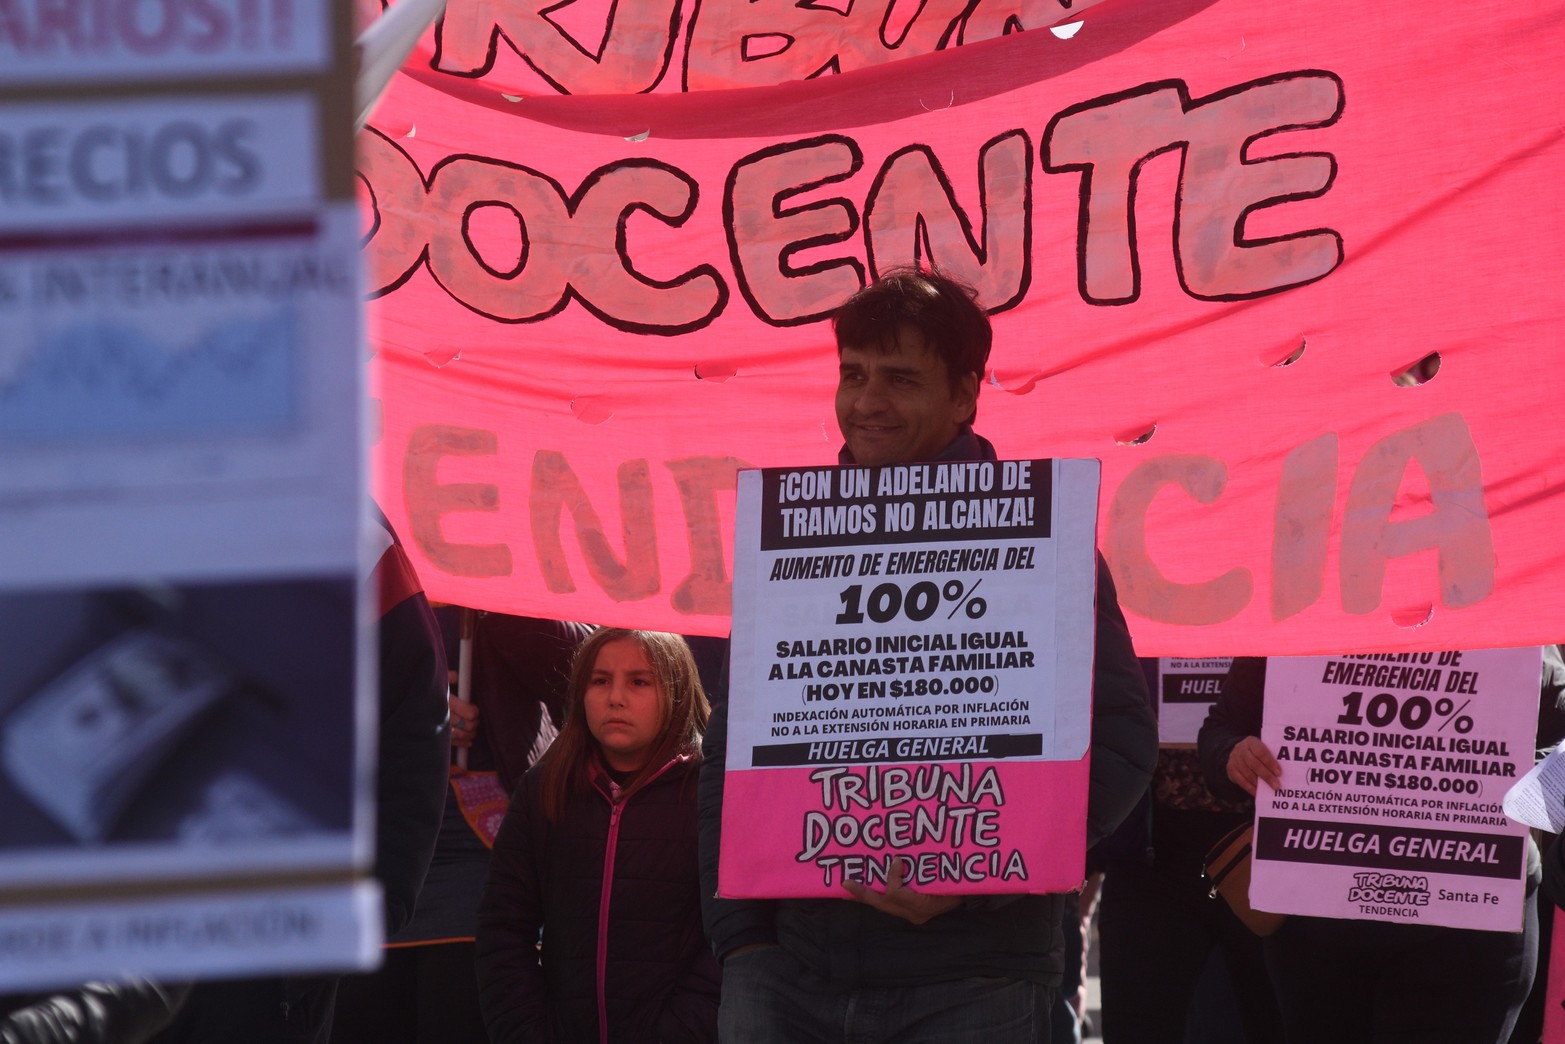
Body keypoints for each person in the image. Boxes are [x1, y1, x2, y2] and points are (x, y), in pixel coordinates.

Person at [698, 268, 1159, 1042]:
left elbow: (1121, 741)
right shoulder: (792, 539)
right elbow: (731, 748)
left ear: (964, 394)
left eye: (900, 378)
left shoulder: (1038, 540)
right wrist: (740, 940)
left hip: (974, 979)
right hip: (792, 973)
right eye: (852, 374)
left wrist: (978, 880)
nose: (866, 402)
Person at [1199, 656, 1539, 1044]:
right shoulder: (1292, 628)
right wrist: (1233, 755)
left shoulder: (1511, 631)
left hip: (1468, 932)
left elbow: (1558, 740)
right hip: (1321, 934)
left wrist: (1519, 773)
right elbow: (1220, 729)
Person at [332, 608, 589, 1044]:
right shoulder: (357, 589)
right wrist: (401, 710)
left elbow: (584, 672)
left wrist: (499, 601)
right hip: (368, 858)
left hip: (482, 863)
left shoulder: (500, 591)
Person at [475, 628, 721, 1043]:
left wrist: (678, 1032)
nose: (615, 698)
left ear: (677, 690)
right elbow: (503, 928)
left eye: (639, 682)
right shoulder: (544, 788)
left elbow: (728, 939)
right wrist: (529, 1032)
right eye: (600, 680)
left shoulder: (710, 793)